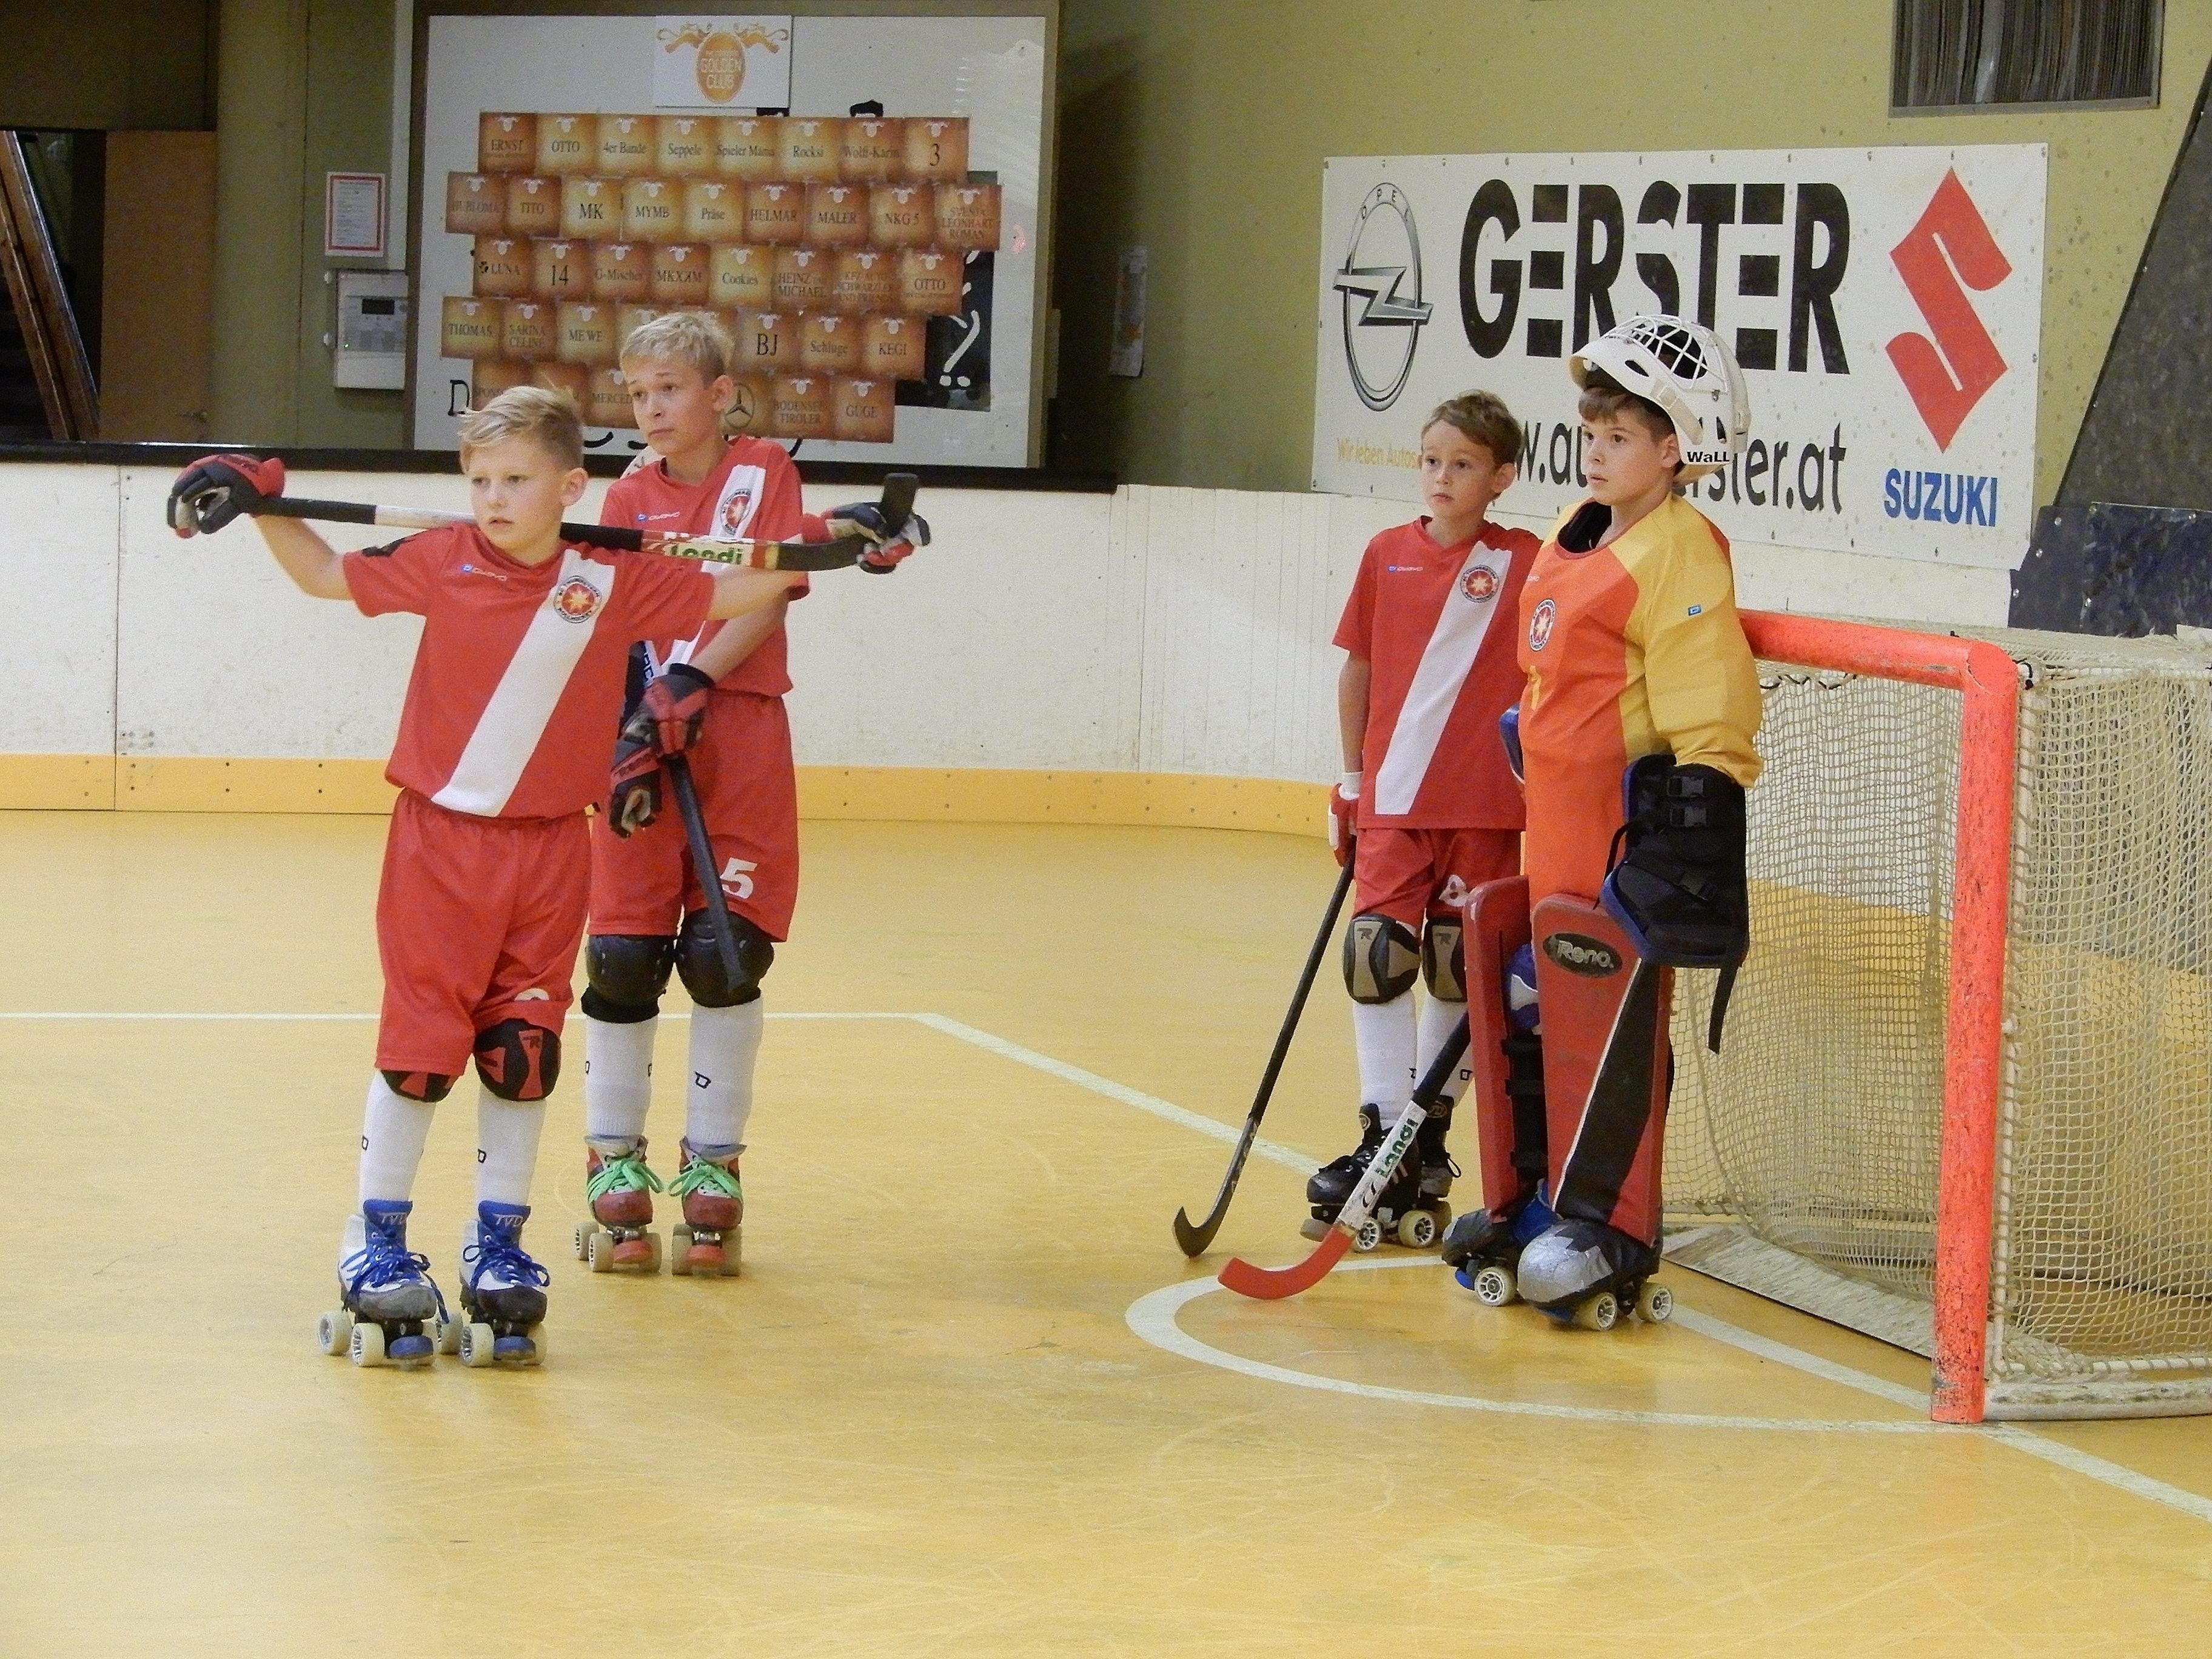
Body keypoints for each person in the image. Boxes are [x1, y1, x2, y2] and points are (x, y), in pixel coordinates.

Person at [166, 387, 804, 1367]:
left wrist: (841, 545)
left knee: (522, 1053)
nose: (494, 498)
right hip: (440, 847)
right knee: (424, 1054)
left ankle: (500, 1246)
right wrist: (263, 505)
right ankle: (374, 1242)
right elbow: (328, 577)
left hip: (553, 850)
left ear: (572, 485)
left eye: (515, 480)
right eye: (479, 481)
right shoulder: (441, 559)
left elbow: (749, 587)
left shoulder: (614, 576)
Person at [574, 312, 926, 1278]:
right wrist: (635, 723)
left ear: (720, 394)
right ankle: (613, 1155)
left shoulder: (761, 470)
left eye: (669, 390)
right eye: (637, 393)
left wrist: (698, 680)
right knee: (621, 954)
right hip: (642, 730)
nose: (649, 409)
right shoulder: (627, 493)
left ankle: (713, 1168)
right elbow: (612, 618)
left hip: (741, 727)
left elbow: (768, 583)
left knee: (727, 953)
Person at [1442, 315, 1761, 1326]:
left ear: (1677, 447)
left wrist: (1696, 816)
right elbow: (1554, 677)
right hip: (1555, 836)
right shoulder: (1580, 534)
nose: (1598, 452)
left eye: (1622, 437)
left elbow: (1707, 698)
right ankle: (1545, 1197)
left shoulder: (1681, 552)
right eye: (1592, 434)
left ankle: (1610, 1223)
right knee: (1541, 1010)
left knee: (1608, 1023)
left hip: (1618, 846)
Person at [1305, 392, 1541, 1247]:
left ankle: (1428, 1140)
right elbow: (1358, 671)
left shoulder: (1526, 561)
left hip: (1483, 803)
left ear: (1501, 478)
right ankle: (1380, 1134)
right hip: (1396, 800)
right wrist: (1350, 783)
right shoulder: (1384, 555)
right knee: (1375, 956)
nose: (1443, 477)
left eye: (1465, 465)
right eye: (1431, 460)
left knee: (1455, 964)